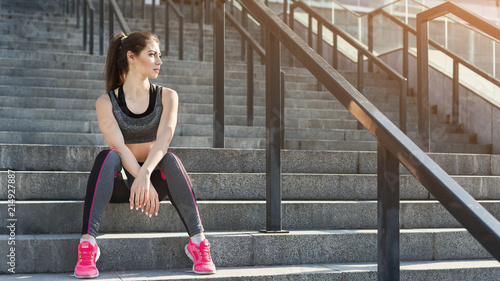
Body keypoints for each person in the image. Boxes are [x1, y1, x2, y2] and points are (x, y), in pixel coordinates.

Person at [73, 31, 216, 279]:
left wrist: (146, 176)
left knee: (170, 159)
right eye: (152, 54)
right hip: (121, 186)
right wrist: (139, 177)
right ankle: (88, 245)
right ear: (131, 56)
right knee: (108, 157)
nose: (159, 61)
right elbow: (118, 146)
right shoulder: (106, 102)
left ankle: (198, 243)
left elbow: (165, 139)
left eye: (159, 55)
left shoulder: (168, 96)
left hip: (154, 184)